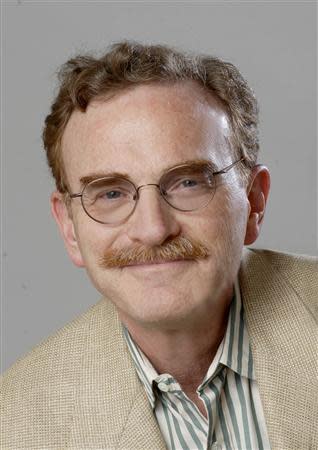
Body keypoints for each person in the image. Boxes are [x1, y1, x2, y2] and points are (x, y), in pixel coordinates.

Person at [1, 41, 317, 450]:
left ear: (254, 201)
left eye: (187, 182)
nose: (152, 229)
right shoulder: (15, 424)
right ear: (70, 228)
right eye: (111, 193)